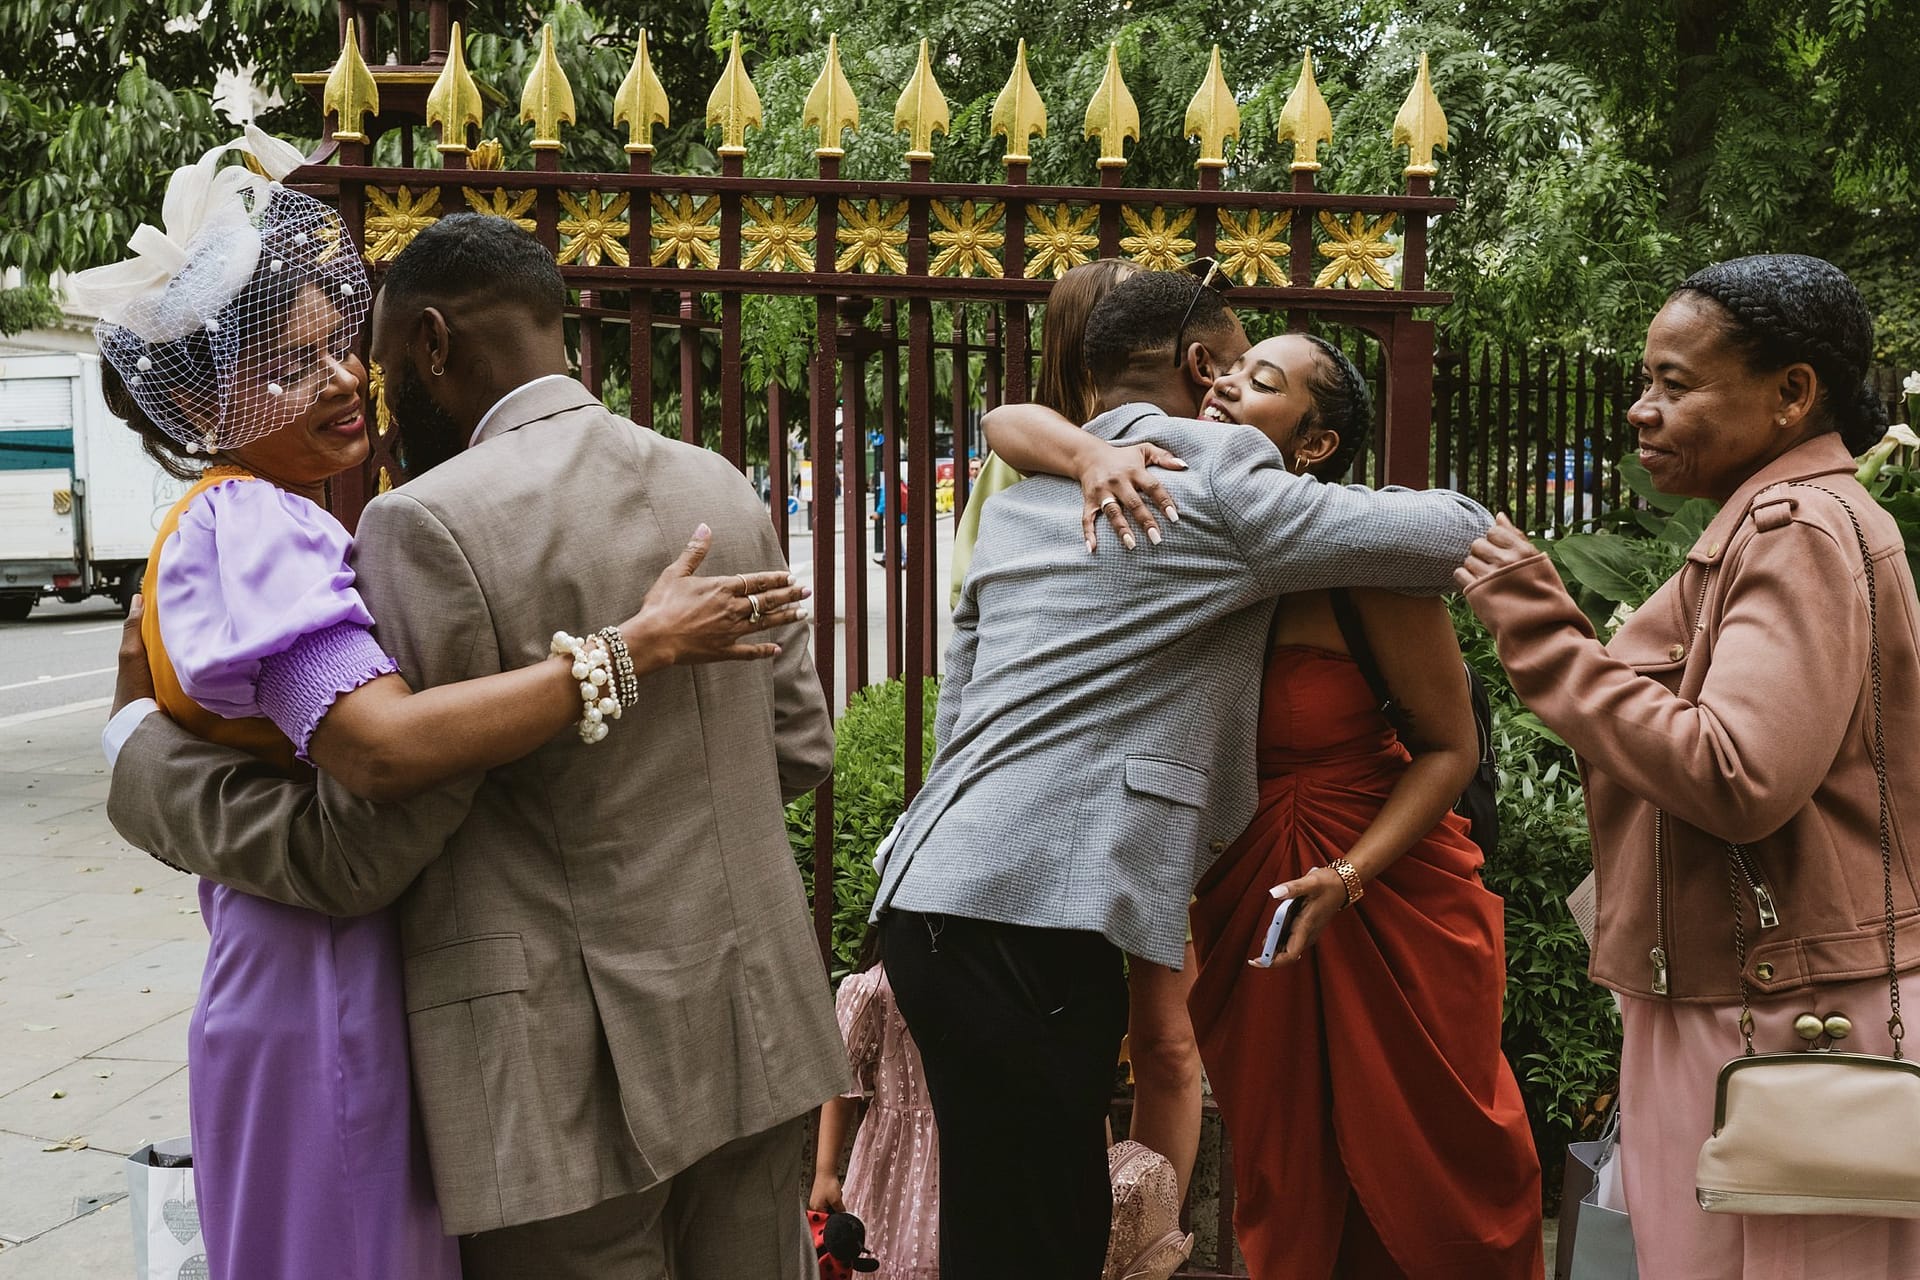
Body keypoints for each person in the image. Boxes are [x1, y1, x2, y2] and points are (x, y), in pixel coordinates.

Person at [74, 138, 817, 1280]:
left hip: (567, 1078)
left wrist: (138, 757)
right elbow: (798, 750)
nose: (347, 382)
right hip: (754, 1027)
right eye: (299, 359)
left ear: (426, 344)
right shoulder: (717, 481)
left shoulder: (424, 524)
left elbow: (367, 844)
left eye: (350, 351)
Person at [871, 267, 1493, 1279]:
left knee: (1001, 1213)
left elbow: (957, 707)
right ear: (1202, 369)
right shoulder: (1220, 485)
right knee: (1042, 1230)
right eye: (1239, 359)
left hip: (930, 898)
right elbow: (1459, 531)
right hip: (1034, 913)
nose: (1238, 385)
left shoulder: (1029, 494)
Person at [1458, 253, 1920, 1279]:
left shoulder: (1797, 527)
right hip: (1754, 1001)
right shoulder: (1777, 518)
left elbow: (1736, 772)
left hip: (1780, 1019)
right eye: (1645, 380)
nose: (1639, 410)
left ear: (1792, 391)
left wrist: (1536, 626)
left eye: (1676, 382)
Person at [1171, 334, 1540, 1277]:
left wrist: (1347, 874)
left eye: (1263, 381)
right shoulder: (1182, 544)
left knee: (1428, 1160)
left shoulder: (1366, 559)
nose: (1224, 384)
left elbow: (1450, 748)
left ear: (1316, 446)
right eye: (1224, 369)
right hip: (1250, 889)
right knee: (1282, 1157)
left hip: (1387, 891)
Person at [810, 931, 938, 1280]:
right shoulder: (876, 990)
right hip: (892, 1161)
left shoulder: (980, 988)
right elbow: (842, 1086)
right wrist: (825, 1171)